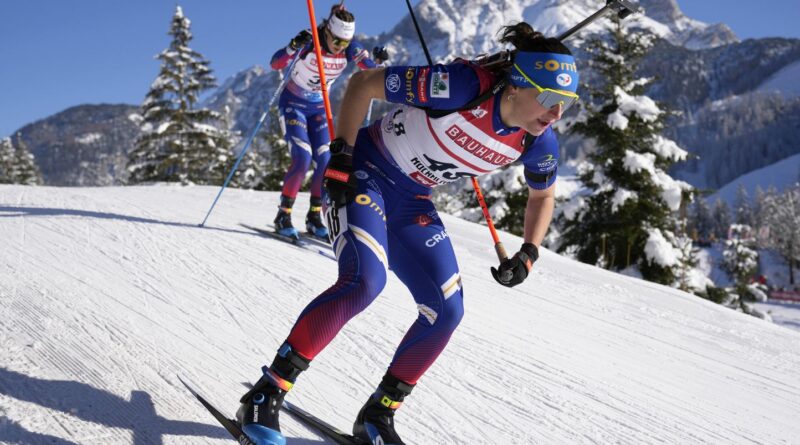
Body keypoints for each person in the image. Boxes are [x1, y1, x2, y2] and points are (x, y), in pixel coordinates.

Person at [238, 22, 579, 445]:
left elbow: (542, 196)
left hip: (413, 200)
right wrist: (341, 154)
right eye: (548, 99)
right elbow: (363, 84)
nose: (556, 113)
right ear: (515, 87)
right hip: (363, 172)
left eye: (567, 102)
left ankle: (377, 416)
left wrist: (529, 251)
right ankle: (266, 393)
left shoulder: (539, 141)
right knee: (364, 282)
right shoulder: (459, 87)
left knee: (447, 310)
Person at [269, 4, 388, 240]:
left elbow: (372, 73)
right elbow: (276, 63)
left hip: (319, 109)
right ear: (327, 31)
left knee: (325, 160)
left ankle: (314, 216)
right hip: (293, 104)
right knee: (302, 157)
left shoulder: (350, 48)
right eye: (336, 41)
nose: (339, 46)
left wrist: (379, 62)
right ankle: (283, 214)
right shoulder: (311, 40)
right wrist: (293, 47)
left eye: (345, 42)